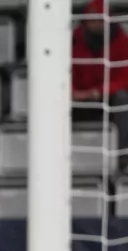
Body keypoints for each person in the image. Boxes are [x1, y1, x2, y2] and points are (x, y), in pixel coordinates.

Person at [72, 0, 128, 170]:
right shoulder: (74, 40)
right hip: (80, 96)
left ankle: (122, 156)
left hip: (107, 95)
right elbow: (64, 72)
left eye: (100, 19)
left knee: (123, 100)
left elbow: (124, 77)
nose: (96, 23)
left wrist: (98, 92)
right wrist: (74, 92)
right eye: (92, 19)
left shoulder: (122, 41)